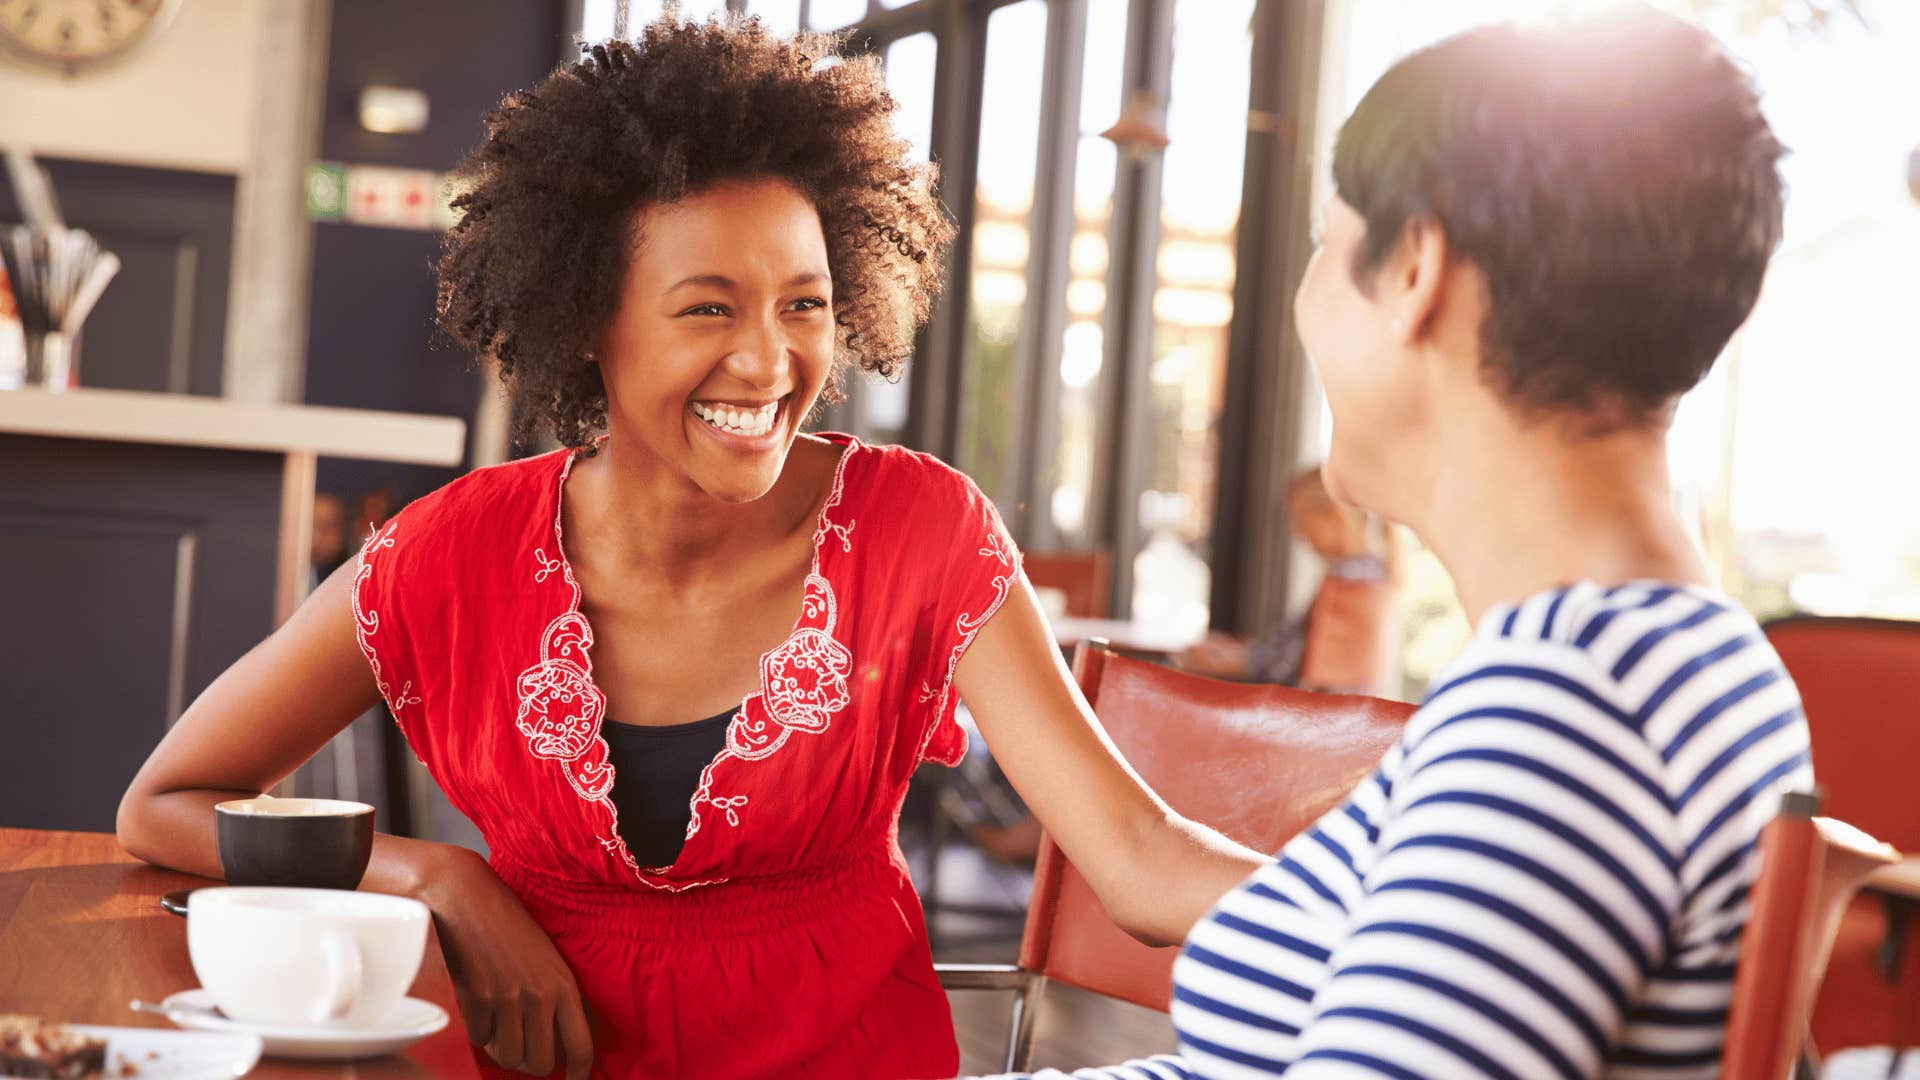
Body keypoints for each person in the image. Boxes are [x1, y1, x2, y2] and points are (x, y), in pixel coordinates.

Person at [115, 18, 1262, 1080]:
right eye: (708, 308)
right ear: (587, 321)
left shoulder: (924, 529)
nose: (768, 364)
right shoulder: (447, 555)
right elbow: (169, 800)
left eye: (803, 305)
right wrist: (436, 873)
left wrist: (1403, 917)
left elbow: (1141, 856)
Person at [1017, 8, 1812, 1077]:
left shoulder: (1570, 707)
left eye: (1323, 242)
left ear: (1413, 270)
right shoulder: (1668, 661)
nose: (1304, 299)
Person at [1177, 466, 1401, 696]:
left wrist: (1238, 660)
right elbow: (1299, 642)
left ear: (1333, 516)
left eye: (1301, 519)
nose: (1298, 533)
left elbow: (1296, 660)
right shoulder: (1367, 574)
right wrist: (1240, 651)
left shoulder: (1353, 581)